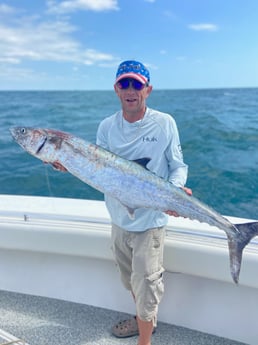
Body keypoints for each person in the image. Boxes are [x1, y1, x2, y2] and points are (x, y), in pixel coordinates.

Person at [96, 60, 192, 345]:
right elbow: (98, 169)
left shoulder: (164, 123)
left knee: (147, 285)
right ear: (115, 89)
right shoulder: (106, 127)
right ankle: (143, 320)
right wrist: (64, 164)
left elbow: (178, 166)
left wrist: (174, 191)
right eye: (124, 83)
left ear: (147, 90)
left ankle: (145, 340)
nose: (130, 90)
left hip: (150, 223)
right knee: (132, 283)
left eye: (136, 84)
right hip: (119, 220)